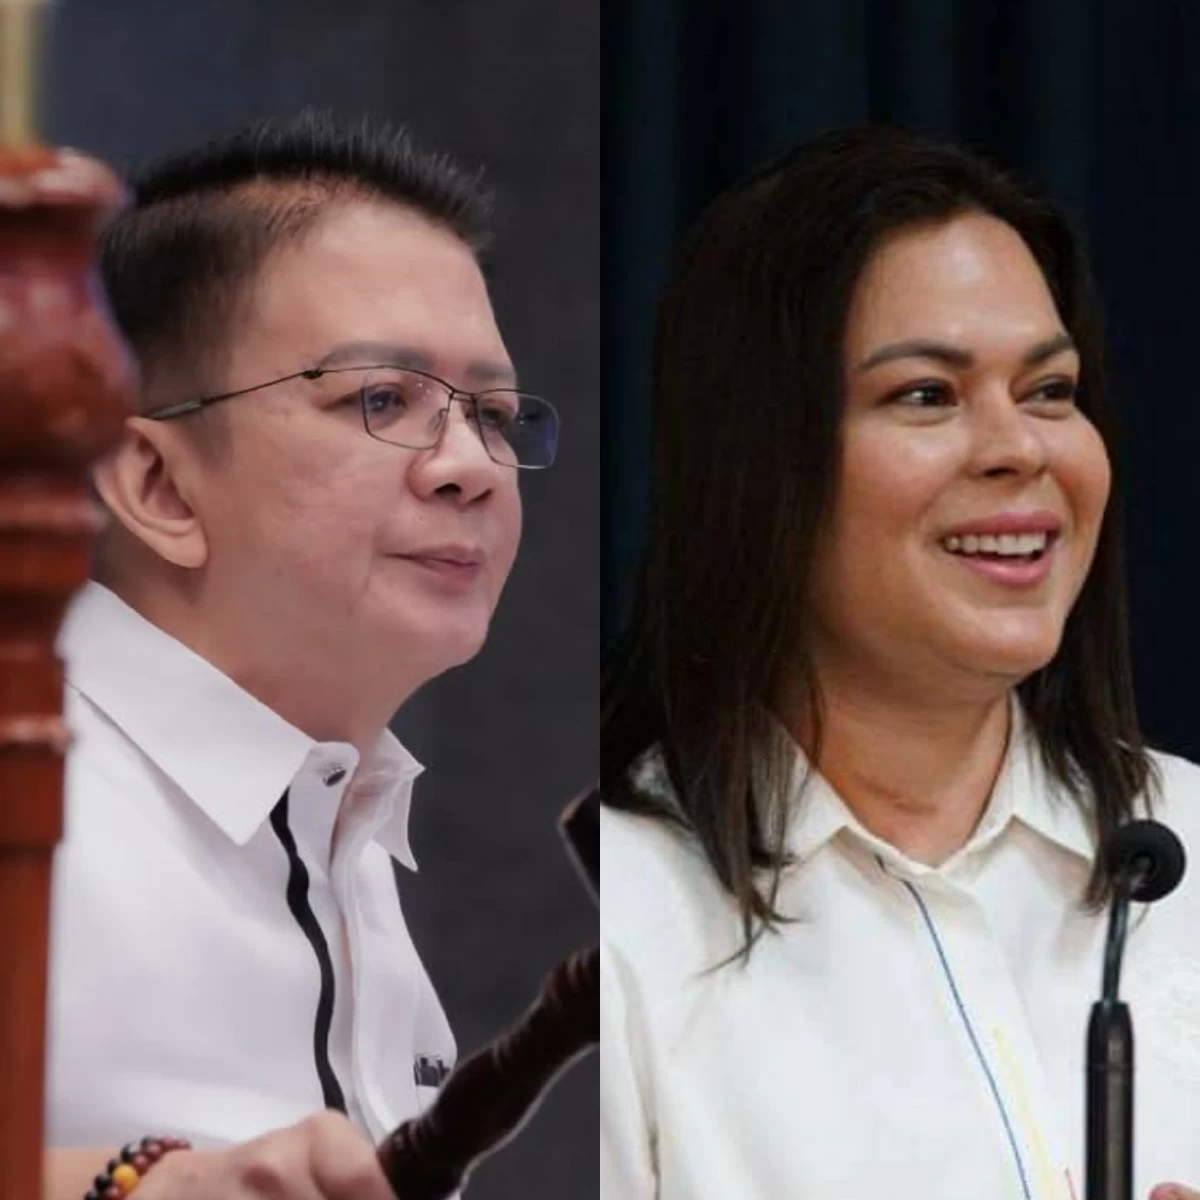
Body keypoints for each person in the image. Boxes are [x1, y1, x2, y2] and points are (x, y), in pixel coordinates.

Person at [600, 125, 1200, 1200]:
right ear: (759, 463)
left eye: (1052, 390)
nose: (1021, 447)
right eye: (926, 394)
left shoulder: (1185, 849)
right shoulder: (614, 926)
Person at [44, 110, 560, 1200]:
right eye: (381, 399)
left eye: (498, 415)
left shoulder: (344, 830)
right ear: (160, 485)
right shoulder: (31, 789)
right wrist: (133, 1188)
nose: (470, 464)